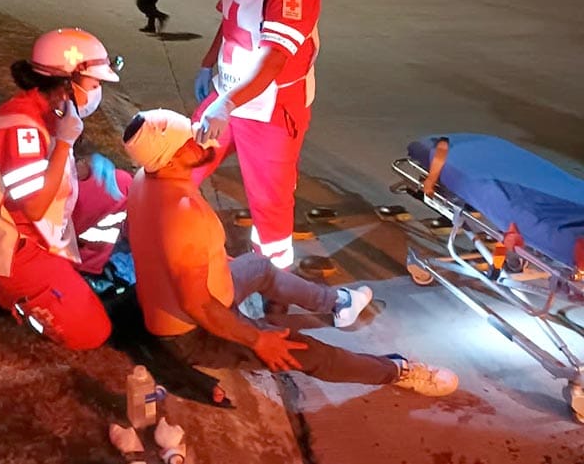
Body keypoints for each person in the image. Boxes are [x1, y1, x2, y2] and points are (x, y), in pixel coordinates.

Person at [122, 108, 459, 396]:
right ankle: (398, 370)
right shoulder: (181, 213)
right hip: (194, 333)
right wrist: (258, 339)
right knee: (302, 350)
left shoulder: (146, 180)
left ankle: (336, 304)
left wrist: (215, 265)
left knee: (257, 266)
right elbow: (197, 305)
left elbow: (170, 256)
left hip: (206, 299)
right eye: (191, 141)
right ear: (171, 157)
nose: (203, 139)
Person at [0, 28, 132, 350]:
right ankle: (14, 301)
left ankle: (80, 271)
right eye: (95, 84)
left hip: (35, 231)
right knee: (91, 333)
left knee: (120, 186)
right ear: (66, 83)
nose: (99, 91)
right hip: (17, 249)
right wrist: (65, 145)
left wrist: (79, 165)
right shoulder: (21, 128)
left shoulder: (46, 109)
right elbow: (35, 208)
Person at [193, 0, 322, 270]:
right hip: (228, 95)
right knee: (184, 159)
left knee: (269, 203)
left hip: (272, 110)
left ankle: (274, 280)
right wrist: (207, 66)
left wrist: (225, 103)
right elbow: (229, 21)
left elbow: (273, 60)